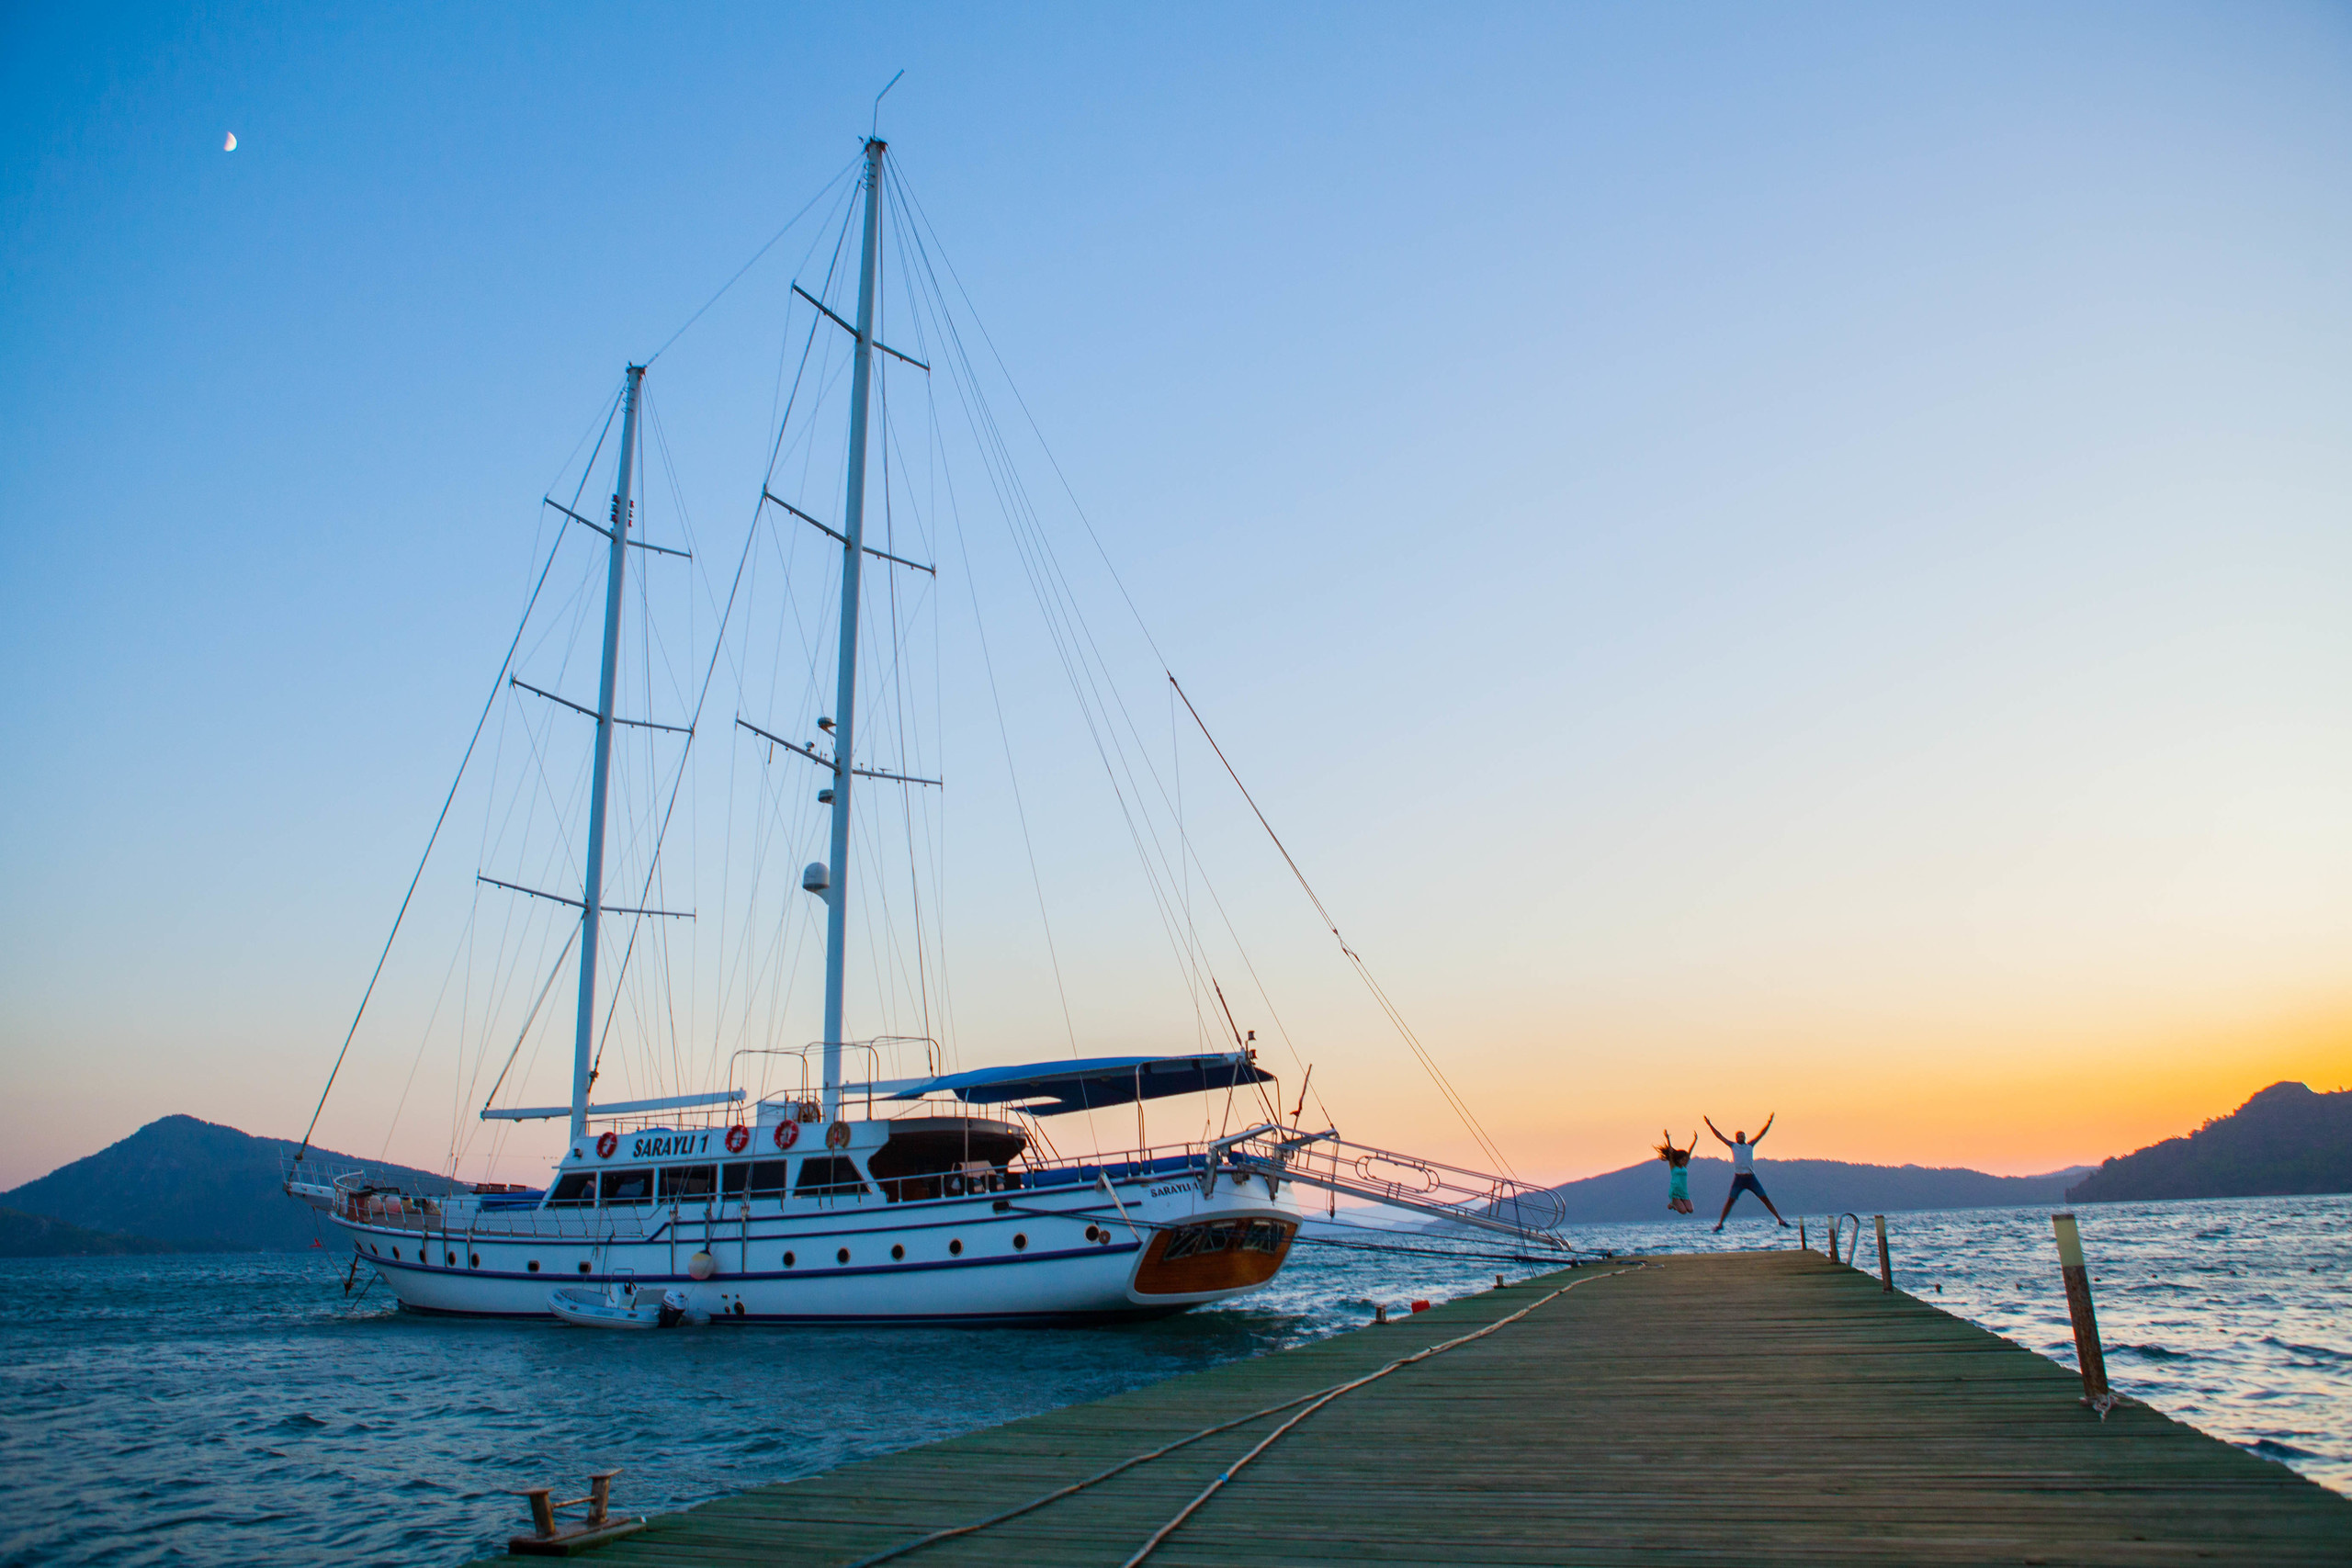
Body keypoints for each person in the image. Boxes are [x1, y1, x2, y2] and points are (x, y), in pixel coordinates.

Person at [1704, 1111, 1790, 1231]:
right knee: (1730, 1201)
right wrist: (1710, 1125)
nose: (1741, 1137)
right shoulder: (1733, 1146)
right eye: (1739, 1136)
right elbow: (1720, 1136)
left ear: (1745, 1137)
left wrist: (1769, 1122)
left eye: (1743, 1136)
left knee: (1765, 1199)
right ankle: (1720, 1224)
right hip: (1739, 1178)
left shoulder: (1750, 1145)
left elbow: (1761, 1134)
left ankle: (1780, 1219)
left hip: (1750, 1178)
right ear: (1736, 1138)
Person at [1656, 1129, 1696, 1214]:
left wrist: (1695, 1140)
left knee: (1690, 1210)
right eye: (1683, 1160)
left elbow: (1690, 1152)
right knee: (1683, 1211)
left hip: (1684, 1192)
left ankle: (1676, 1204)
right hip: (1675, 1191)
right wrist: (1668, 1139)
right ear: (1678, 1160)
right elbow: (1671, 1153)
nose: (1684, 1161)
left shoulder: (1684, 1166)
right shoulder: (1673, 1166)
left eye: (1685, 1159)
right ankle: (1672, 1204)